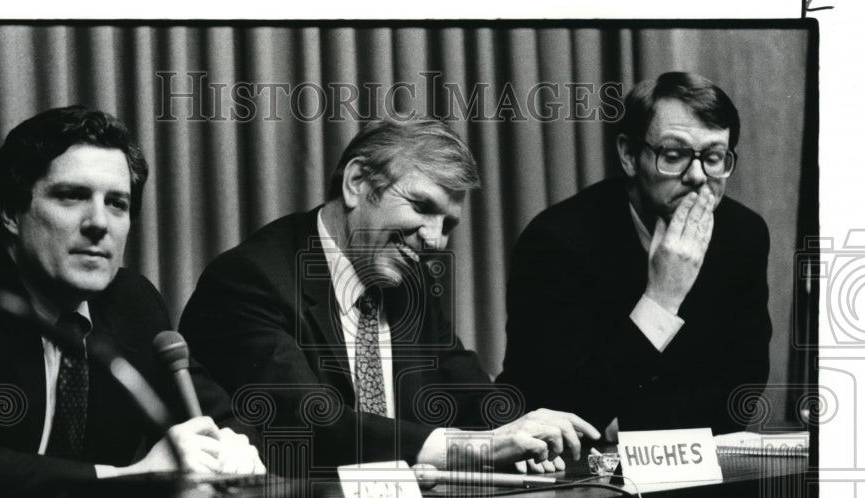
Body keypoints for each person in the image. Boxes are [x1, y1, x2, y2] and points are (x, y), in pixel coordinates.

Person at [179, 119, 599, 476]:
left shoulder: (408, 282)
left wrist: (526, 429)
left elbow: (468, 388)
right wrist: (478, 448)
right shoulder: (250, 279)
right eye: (421, 206)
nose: (435, 240)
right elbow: (313, 424)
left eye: (448, 224)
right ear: (357, 182)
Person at [0, 106, 263, 498]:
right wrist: (126, 479)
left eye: (117, 204)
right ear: (10, 212)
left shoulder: (134, 301)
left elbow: (213, 415)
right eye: (72, 196)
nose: (99, 223)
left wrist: (234, 447)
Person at [501, 72, 771, 437]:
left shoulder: (744, 234)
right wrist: (661, 299)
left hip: (695, 466)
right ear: (629, 155)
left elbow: (740, 393)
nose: (697, 176)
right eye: (673, 155)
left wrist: (626, 426)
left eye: (714, 157)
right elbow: (564, 405)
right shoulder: (555, 241)